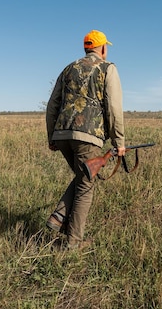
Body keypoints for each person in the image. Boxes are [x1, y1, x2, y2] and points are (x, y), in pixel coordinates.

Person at [45, 30, 126, 250]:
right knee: (85, 186)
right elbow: (114, 108)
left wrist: (51, 135)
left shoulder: (68, 68)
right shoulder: (108, 68)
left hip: (62, 134)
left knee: (83, 176)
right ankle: (73, 244)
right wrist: (119, 142)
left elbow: (53, 105)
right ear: (102, 49)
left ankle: (59, 216)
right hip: (88, 136)